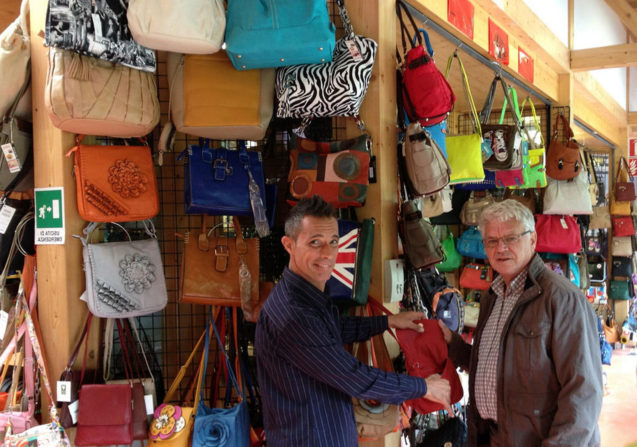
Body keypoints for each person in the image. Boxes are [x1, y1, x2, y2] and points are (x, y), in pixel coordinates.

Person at [255, 195, 452, 447]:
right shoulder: (294, 313)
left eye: (333, 242)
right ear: (289, 244)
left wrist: (387, 322)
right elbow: (355, 378)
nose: (327, 253)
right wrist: (423, 387)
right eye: (315, 242)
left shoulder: (305, 294)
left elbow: (331, 331)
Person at [438, 199, 602, 446]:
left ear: (533, 240)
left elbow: (584, 392)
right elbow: (499, 364)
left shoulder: (562, 299)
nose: (500, 248)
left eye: (511, 238)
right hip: (491, 437)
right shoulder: (492, 297)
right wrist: (452, 343)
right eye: (492, 241)